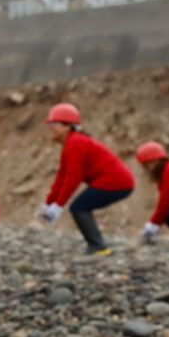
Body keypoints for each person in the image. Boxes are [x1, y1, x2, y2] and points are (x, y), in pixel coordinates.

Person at [37, 103, 136, 255]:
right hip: (115, 182)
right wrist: (49, 203)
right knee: (81, 207)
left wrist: (58, 206)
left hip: (116, 182)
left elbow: (73, 178)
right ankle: (97, 245)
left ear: (67, 127)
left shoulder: (76, 143)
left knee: (79, 207)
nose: (51, 127)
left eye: (54, 124)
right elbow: (61, 177)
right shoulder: (71, 144)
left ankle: (98, 247)